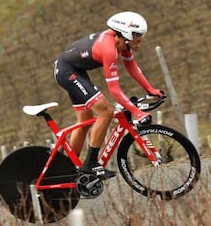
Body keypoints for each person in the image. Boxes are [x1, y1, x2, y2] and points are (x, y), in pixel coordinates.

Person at [54, 11, 164, 179]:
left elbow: (132, 67)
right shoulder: (109, 49)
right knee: (106, 111)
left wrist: (150, 89)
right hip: (68, 71)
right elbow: (114, 90)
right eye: (138, 36)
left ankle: (67, 169)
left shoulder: (122, 43)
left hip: (75, 70)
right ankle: (90, 165)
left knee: (84, 123)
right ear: (126, 34)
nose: (141, 39)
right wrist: (138, 113)